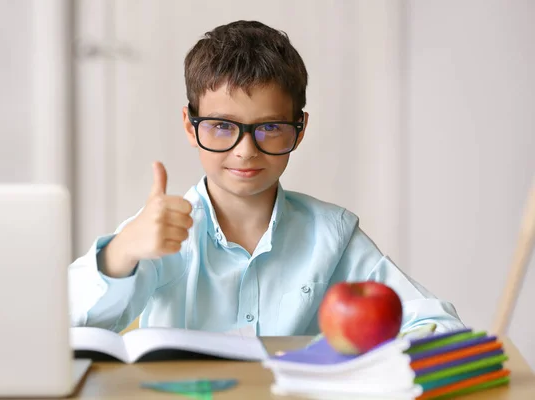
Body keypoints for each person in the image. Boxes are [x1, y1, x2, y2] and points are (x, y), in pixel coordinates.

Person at [68, 20, 464, 336]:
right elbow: (63, 327)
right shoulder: (160, 230)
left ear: (299, 129)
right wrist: (121, 253)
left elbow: (438, 326)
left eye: (270, 127)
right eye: (222, 126)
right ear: (190, 127)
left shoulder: (331, 234)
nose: (245, 150)